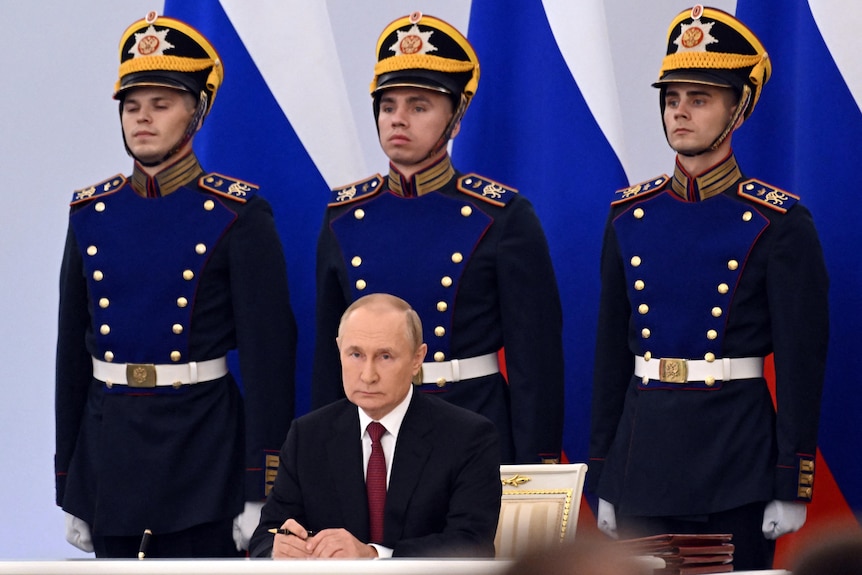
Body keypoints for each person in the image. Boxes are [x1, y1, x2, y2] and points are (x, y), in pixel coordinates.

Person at [588, 5, 829, 571]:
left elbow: (801, 363)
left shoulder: (777, 221)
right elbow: (609, 358)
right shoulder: (629, 215)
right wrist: (603, 473)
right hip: (642, 459)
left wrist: (791, 481)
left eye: (700, 99)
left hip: (736, 458)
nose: (680, 112)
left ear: (737, 107)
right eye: (672, 98)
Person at [55, 12, 297, 558]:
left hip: (203, 453)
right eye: (132, 106)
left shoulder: (237, 214)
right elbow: (72, 355)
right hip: (109, 452)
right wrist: (71, 480)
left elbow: (269, 357)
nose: (142, 119)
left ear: (197, 113)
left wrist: (261, 488)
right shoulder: (91, 214)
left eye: (161, 104)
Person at [313, 11, 564, 465]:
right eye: (388, 106)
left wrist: (535, 471)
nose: (398, 119)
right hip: (373, 438)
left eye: (419, 106)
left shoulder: (501, 217)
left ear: (457, 117)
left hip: (471, 428)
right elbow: (328, 367)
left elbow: (536, 366)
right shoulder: (346, 217)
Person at [249, 293, 501, 558]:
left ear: (417, 358)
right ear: (339, 350)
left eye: (385, 357)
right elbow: (265, 537)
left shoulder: (467, 437)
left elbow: (472, 546)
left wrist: (375, 556)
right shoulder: (308, 436)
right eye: (356, 354)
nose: (368, 375)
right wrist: (280, 548)